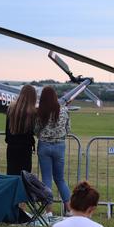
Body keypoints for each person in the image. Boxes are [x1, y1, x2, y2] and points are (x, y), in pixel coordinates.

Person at [35, 86, 71, 217]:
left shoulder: (40, 111)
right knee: (60, 179)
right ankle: (69, 209)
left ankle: (48, 211)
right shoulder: (64, 110)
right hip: (60, 145)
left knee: (46, 179)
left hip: (44, 146)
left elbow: (36, 129)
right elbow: (68, 129)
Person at [5, 85, 37, 175]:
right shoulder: (33, 113)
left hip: (11, 147)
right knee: (25, 177)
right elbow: (34, 131)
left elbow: (7, 132)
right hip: (25, 149)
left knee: (11, 175)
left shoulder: (11, 109)